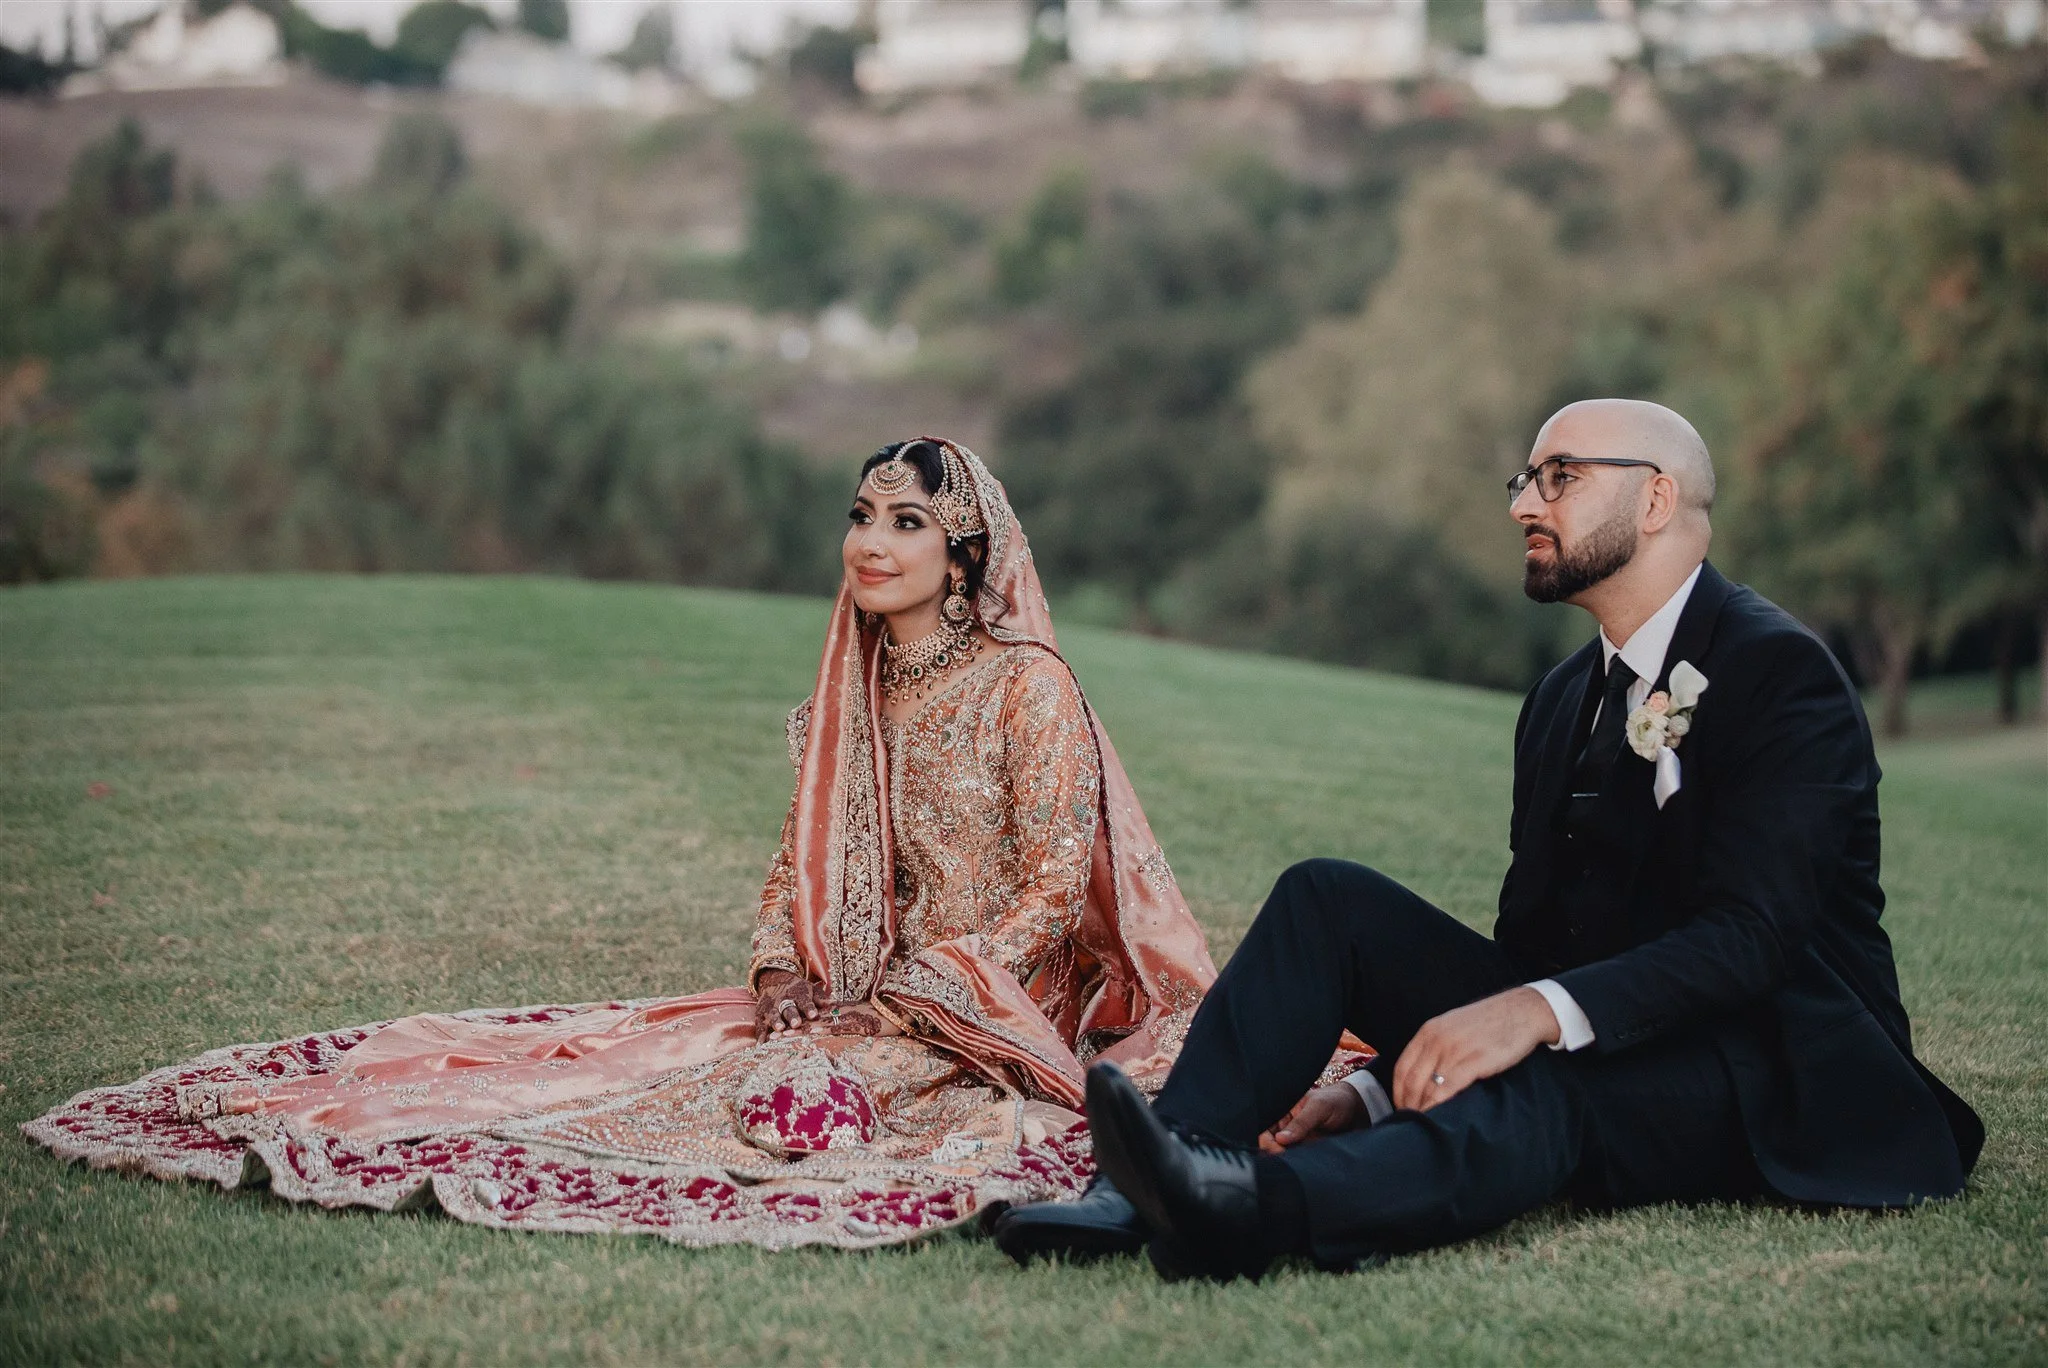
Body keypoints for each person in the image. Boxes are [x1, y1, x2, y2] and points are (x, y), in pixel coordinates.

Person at [24, 438, 1225, 1252]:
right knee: (639, 1068)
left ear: (963, 556)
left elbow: (1056, 890)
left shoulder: (1025, 688)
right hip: (864, 995)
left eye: (907, 522)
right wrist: (781, 969)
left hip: (999, 1001)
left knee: (789, 1110)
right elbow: (794, 867)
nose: (870, 541)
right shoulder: (850, 700)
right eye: (861, 516)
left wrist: (923, 998)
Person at [998, 398, 1984, 1280]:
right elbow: (1536, 947)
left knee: (1546, 1082)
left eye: (1560, 477)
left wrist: (1535, 1013)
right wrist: (1379, 1091)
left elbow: (1753, 939)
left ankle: (1251, 1210)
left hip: (1767, 1061)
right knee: (1326, 899)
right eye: (1525, 479)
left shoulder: (1780, 674)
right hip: (1609, 1027)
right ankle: (1158, 1173)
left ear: (1654, 500)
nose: (1523, 504)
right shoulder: (1560, 701)